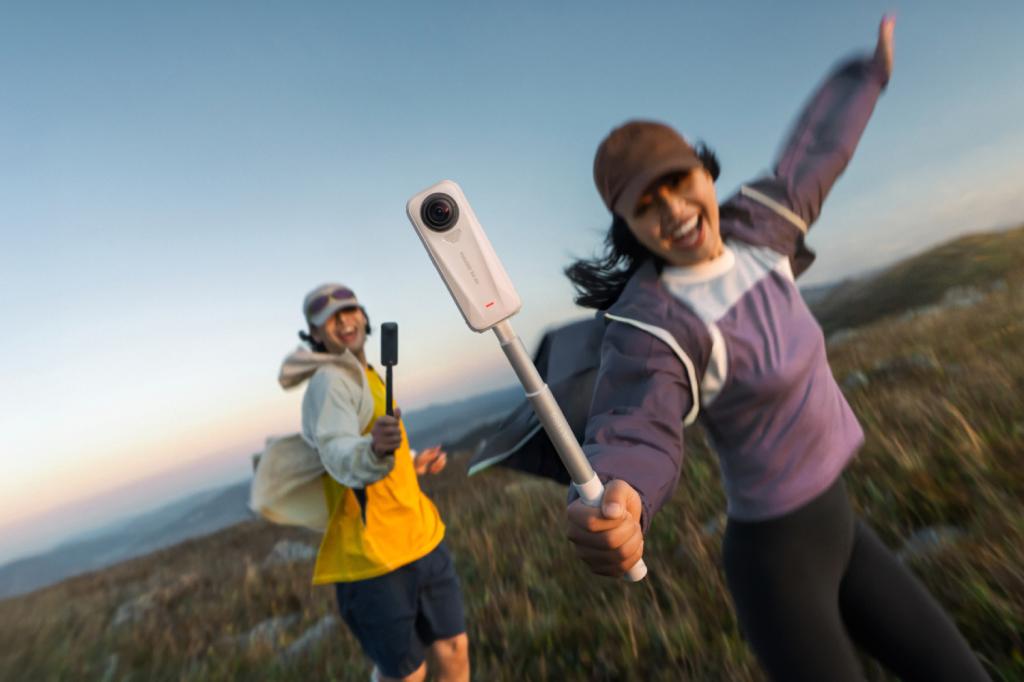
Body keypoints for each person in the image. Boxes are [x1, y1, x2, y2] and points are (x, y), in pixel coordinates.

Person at [563, 17, 991, 682]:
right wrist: (622, 494)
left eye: (679, 181)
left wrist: (867, 76)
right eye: (648, 206)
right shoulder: (653, 324)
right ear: (633, 228)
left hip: (841, 523)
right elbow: (638, 426)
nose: (673, 209)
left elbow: (817, 148)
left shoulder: (763, 223)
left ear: (704, 170)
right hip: (778, 562)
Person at [277, 283, 470, 682]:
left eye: (350, 310)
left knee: (453, 650)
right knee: (406, 675)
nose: (345, 320)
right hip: (373, 561)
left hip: (421, 537)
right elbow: (338, 452)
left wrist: (413, 462)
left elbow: (371, 444)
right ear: (314, 335)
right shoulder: (329, 382)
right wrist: (374, 453)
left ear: (364, 318)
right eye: (330, 318)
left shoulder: (367, 375)